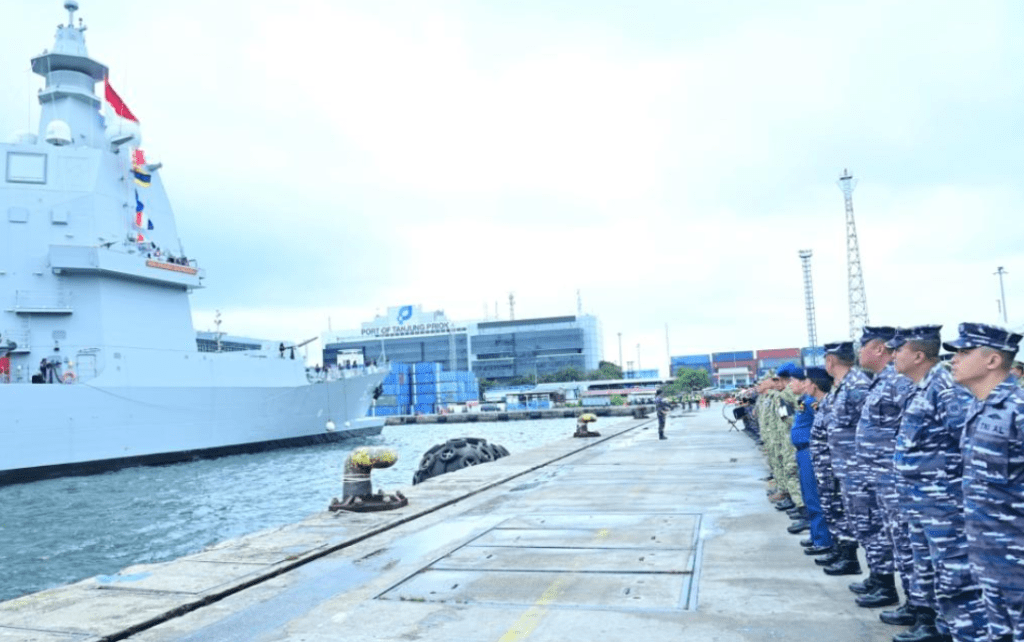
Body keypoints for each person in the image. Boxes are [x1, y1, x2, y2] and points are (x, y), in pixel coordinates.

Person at [888, 325, 986, 642]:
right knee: (932, 571)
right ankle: (937, 627)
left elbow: (968, 443)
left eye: (898, 350)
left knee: (954, 576)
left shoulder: (945, 389)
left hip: (944, 503)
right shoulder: (922, 388)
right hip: (922, 502)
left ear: (918, 355)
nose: (893, 355)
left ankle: (957, 632)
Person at [946, 322, 1024, 642]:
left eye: (964, 353)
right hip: (988, 553)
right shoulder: (977, 406)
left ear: (992, 361)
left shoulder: (1018, 411)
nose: (954, 360)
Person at [848, 326, 912, 610]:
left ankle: (917, 606)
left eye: (862, 347)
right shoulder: (879, 381)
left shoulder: (899, 382)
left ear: (877, 349)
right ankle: (882, 580)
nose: (858, 353)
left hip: (892, 478)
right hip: (873, 475)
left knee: (902, 541)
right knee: (880, 532)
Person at [822, 340, 871, 576]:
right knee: (851, 517)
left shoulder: (857, 385)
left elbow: (868, 426)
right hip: (843, 465)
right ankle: (848, 557)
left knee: (869, 525)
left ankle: (881, 580)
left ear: (830, 361)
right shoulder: (841, 386)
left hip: (857, 467)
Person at [793, 366, 835, 555]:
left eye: (803, 381)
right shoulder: (805, 401)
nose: (803, 384)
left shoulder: (813, 403)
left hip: (812, 453)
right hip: (803, 452)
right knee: (808, 497)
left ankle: (823, 540)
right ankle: (816, 535)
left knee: (815, 498)